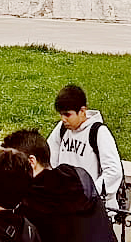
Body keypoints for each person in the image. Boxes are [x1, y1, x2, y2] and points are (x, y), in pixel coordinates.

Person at [48, 84, 124, 214]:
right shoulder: (62, 129)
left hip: (94, 208)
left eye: (67, 114)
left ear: (82, 111)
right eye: (61, 114)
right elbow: (49, 158)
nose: (63, 119)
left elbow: (113, 171)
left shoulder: (99, 132)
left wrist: (90, 194)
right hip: (67, 205)